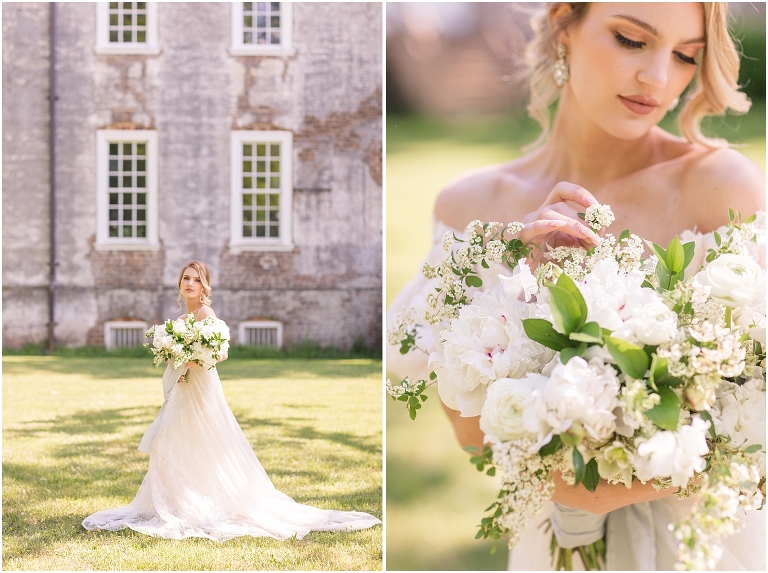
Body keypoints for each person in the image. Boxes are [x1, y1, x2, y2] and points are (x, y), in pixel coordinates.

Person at [386, 3, 765, 570]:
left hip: (705, 547)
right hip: (551, 546)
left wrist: (594, 488)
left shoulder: (718, 188)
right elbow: (473, 434)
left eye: (686, 55)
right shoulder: (469, 207)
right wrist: (520, 290)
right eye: (631, 40)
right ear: (565, 23)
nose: (659, 79)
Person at [83, 260, 381, 541]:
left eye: (196, 280)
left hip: (203, 389)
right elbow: (182, 358)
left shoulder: (205, 316)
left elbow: (218, 355)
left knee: (203, 443)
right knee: (171, 442)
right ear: (180, 283)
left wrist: (188, 363)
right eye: (186, 278)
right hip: (185, 389)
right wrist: (178, 362)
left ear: (204, 287)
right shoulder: (181, 320)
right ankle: (178, 503)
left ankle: (199, 505)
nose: (190, 283)